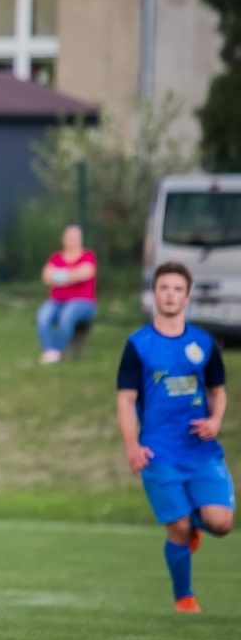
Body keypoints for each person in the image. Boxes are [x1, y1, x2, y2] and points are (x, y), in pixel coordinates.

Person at [116, 261, 234, 614]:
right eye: (164, 288)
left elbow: (218, 390)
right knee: (178, 527)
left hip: (201, 451)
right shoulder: (138, 345)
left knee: (222, 523)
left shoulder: (203, 343)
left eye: (177, 289)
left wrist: (216, 419)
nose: (170, 295)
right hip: (159, 451)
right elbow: (126, 399)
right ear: (154, 294)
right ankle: (184, 598)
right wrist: (131, 446)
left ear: (188, 296)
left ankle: (197, 524)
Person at [37, 224, 97, 364]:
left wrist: (58, 276)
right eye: (69, 238)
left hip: (83, 302)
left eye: (75, 238)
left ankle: (57, 351)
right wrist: (70, 276)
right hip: (57, 301)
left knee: (67, 316)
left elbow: (85, 273)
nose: (72, 240)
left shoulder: (88, 256)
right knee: (42, 317)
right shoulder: (55, 257)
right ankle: (50, 351)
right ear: (63, 239)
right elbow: (46, 277)